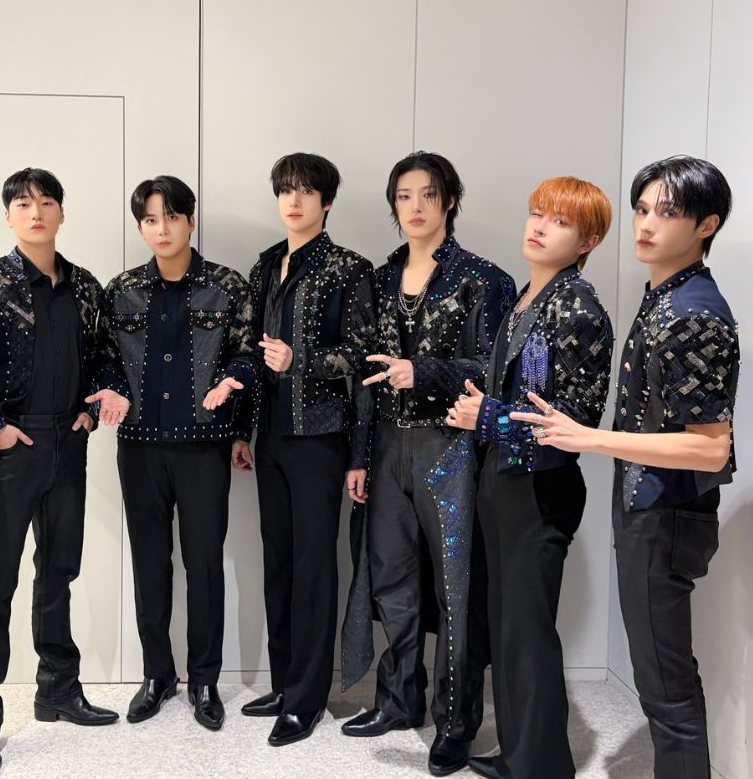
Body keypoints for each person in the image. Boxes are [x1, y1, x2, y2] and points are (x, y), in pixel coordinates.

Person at [510, 156, 738, 779]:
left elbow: (711, 448)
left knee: (666, 686)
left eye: (668, 212)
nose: (646, 224)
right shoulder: (664, 296)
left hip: (667, 511)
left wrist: (590, 437)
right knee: (657, 676)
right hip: (649, 505)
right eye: (642, 209)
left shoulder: (693, 312)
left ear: (706, 225)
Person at [341, 151, 514, 777]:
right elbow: (365, 375)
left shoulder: (483, 280)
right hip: (388, 445)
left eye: (428, 194)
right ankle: (398, 699)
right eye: (404, 196)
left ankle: (457, 721)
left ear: (450, 200)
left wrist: (426, 372)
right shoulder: (380, 277)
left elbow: (495, 371)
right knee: (392, 580)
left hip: (451, 447)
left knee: (455, 588)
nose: (415, 207)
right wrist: (359, 456)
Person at [444, 176, 615, 779]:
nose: (540, 226)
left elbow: (573, 422)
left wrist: (487, 415)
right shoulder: (529, 297)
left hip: (540, 487)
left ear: (587, 241)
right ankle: (519, 754)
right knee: (507, 626)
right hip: (506, 477)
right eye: (538, 213)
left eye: (560, 221)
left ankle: (541, 767)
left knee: (528, 631)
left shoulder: (579, 308)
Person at [90, 175, 259, 731]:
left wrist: (233, 381)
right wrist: (113, 387)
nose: (161, 229)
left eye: (171, 217)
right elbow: (105, 357)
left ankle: (205, 679)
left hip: (204, 448)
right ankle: (157, 675)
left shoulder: (227, 286)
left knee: (204, 564)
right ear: (140, 227)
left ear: (191, 220)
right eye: (150, 219)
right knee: (149, 563)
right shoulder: (120, 290)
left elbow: (246, 351)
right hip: (139, 446)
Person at [0, 168, 116, 779]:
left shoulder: (85, 286)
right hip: (13, 445)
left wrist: (92, 410)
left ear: (61, 213)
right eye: (23, 204)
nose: (35, 213)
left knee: (59, 573)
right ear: (7, 216)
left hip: (67, 443)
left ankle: (58, 690)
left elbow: (103, 358)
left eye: (46, 203)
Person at [233, 152, 376, 746]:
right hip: (271, 435)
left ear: (327, 201)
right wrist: (241, 430)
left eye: (306, 191)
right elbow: (249, 351)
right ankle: (285, 682)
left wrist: (303, 361)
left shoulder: (349, 269)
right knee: (278, 561)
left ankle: (308, 698)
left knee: (315, 567)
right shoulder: (266, 264)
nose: (294, 201)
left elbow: (364, 358)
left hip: (321, 436)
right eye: (285, 190)